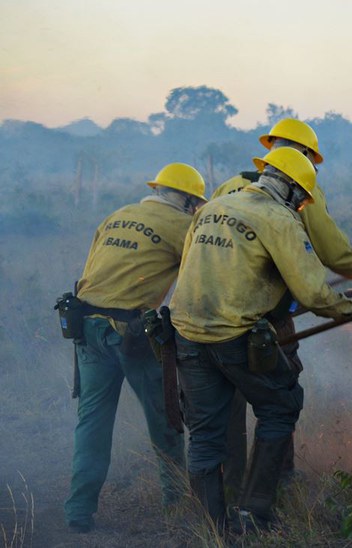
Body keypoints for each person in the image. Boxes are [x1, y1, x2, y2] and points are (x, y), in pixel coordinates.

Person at [169, 147, 352, 531]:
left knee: (204, 435)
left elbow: (191, 267)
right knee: (281, 407)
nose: (302, 207)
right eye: (302, 200)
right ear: (289, 190)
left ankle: (211, 530)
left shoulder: (212, 208)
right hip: (235, 336)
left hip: (185, 334)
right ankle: (254, 514)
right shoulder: (279, 218)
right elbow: (314, 294)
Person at [211, 118, 352, 504]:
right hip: (262, 320)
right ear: (300, 156)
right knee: (280, 397)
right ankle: (276, 488)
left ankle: (229, 492)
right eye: (310, 162)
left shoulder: (228, 186)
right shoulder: (296, 190)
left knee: (225, 409)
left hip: (212, 320)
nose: (311, 171)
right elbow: (331, 250)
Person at [62, 163, 207, 533]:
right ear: (189, 200)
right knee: (166, 420)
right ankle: (176, 510)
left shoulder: (118, 215)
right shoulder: (184, 226)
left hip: (85, 326)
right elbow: (199, 282)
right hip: (132, 334)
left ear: (158, 190)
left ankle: (78, 511)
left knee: (92, 422)